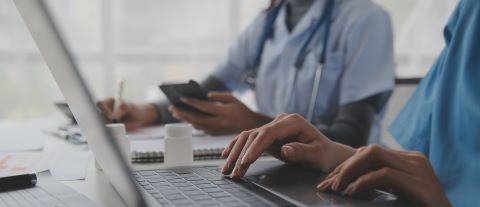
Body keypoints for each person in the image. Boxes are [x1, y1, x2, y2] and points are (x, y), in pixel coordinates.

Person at [221, 0, 480, 207]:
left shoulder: (365, 18)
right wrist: (332, 154)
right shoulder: (469, 12)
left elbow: (356, 132)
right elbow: (429, 173)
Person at [98, 0, 395, 147]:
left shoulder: (366, 20)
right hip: (277, 166)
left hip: (346, 179)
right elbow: (208, 91)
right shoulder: (267, 22)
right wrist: (145, 111)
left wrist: (255, 125)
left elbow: (353, 136)